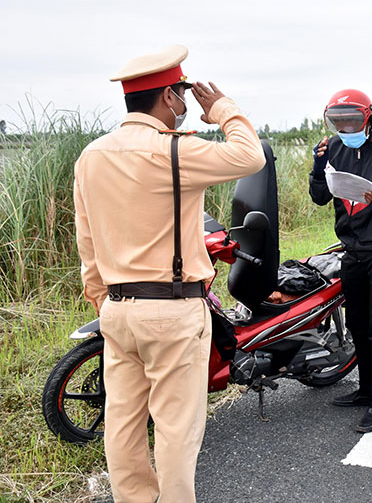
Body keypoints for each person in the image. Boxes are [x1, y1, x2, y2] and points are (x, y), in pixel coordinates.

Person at [74, 44, 266, 503]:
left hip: (117, 308)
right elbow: (250, 156)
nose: (184, 102)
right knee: (176, 429)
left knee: (123, 422)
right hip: (173, 309)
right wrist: (222, 108)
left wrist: (102, 299)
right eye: (182, 92)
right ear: (168, 97)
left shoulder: (92, 156)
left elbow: (87, 238)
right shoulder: (175, 151)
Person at [309, 88, 372, 432]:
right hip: (351, 250)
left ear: (368, 119)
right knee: (357, 324)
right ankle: (365, 390)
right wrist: (318, 167)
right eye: (338, 122)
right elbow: (320, 197)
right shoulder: (334, 148)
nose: (345, 129)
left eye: (352, 122)